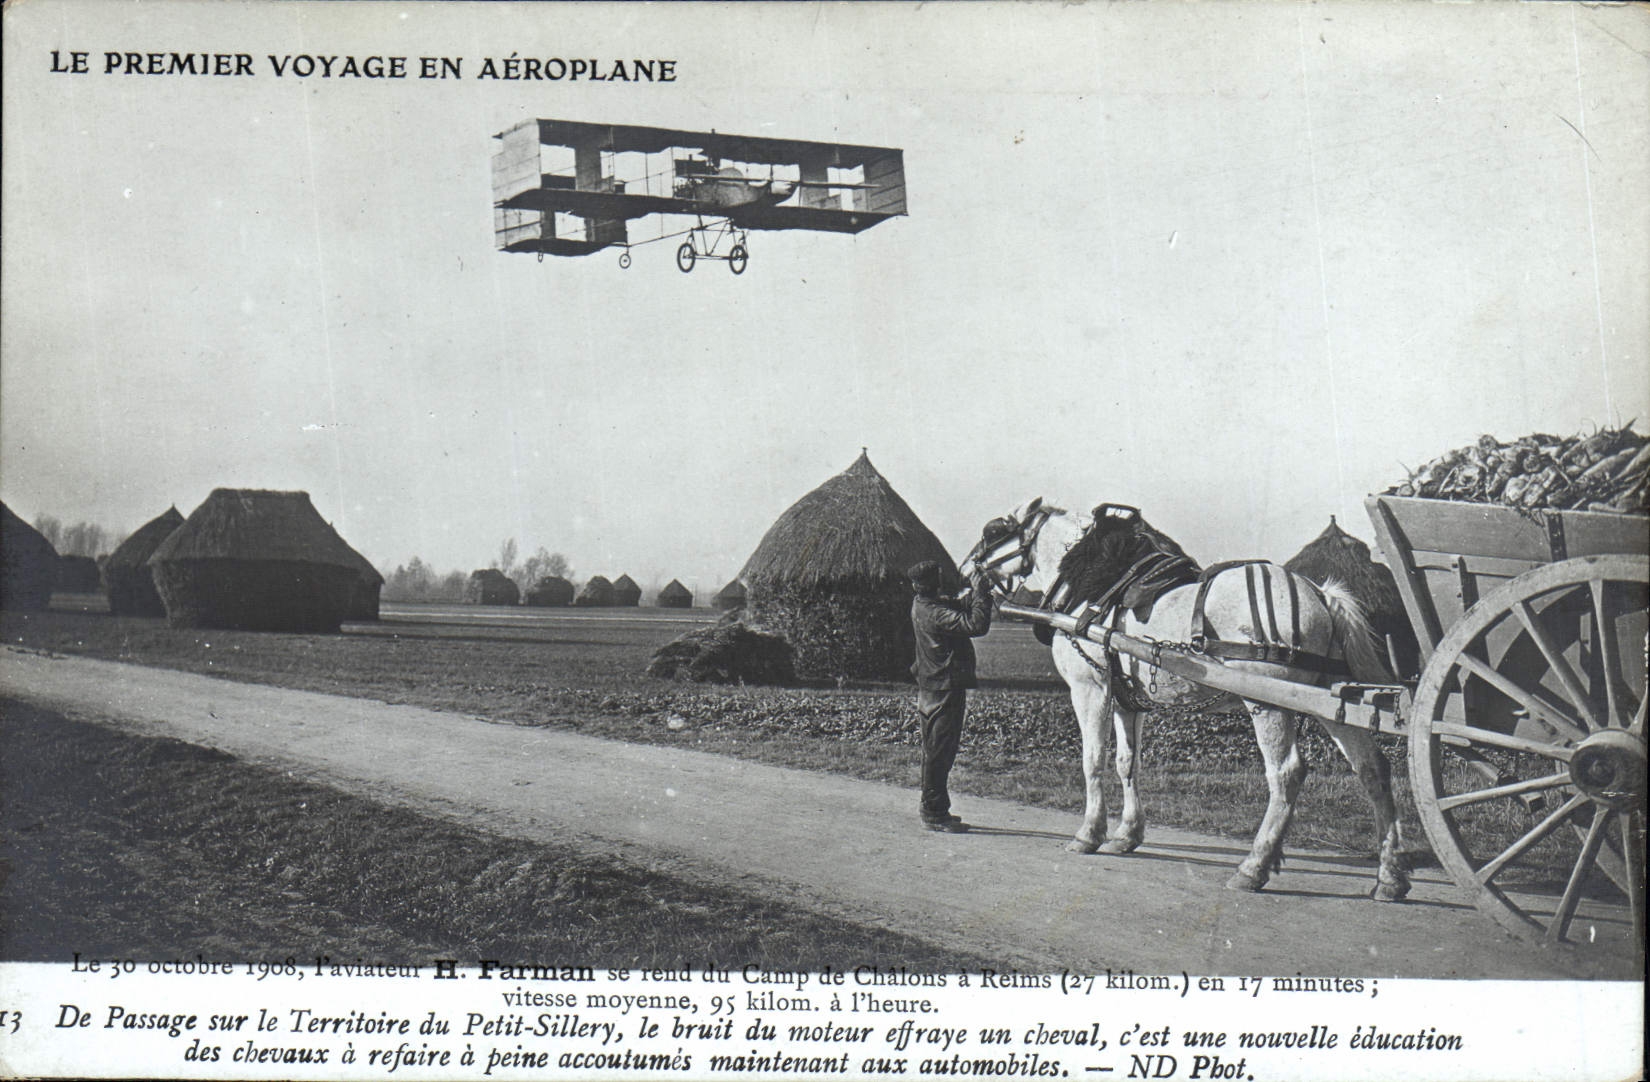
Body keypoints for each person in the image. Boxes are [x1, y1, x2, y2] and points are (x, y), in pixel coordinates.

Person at [907, 559, 993, 833]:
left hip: (935, 685)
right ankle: (933, 813)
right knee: (939, 752)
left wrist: (974, 595)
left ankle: (937, 808)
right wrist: (981, 594)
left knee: (937, 750)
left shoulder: (923, 605)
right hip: (943, 687)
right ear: (936, 582)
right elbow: (976, 624)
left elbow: (957, 606)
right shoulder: (933, 611)